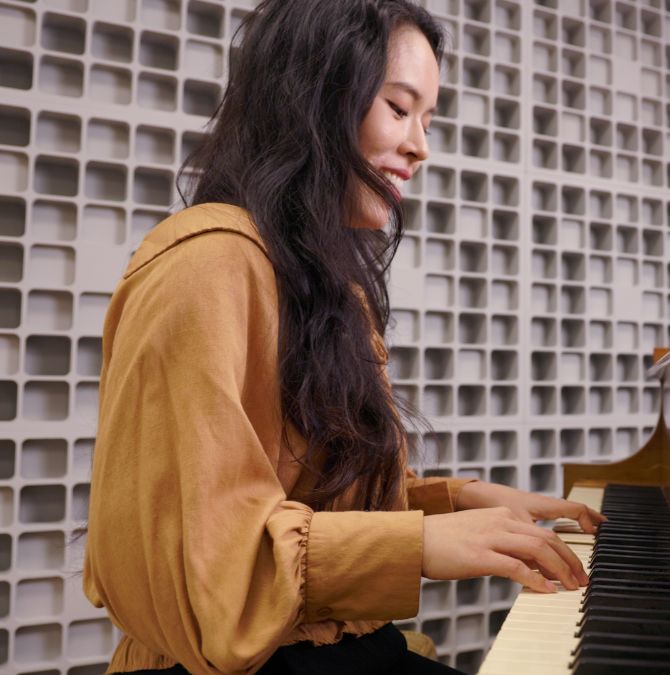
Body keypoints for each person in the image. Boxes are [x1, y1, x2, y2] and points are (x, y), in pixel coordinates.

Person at [82, 1, 603, 673]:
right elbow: (209, 566)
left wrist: (460, 498)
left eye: (428, 118)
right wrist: (417, 543)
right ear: (315, 101)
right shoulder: (208, 264)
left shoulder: (325, 281)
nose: (421, 145)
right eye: (397, 107)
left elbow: (305, 498)